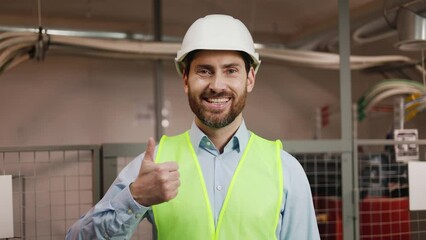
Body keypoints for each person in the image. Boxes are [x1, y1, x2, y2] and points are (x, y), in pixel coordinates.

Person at [66, 14, 320, 239]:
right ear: (186, 79)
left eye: (231, 70)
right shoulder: (155, 165)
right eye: (205, 71)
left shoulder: (285, 170)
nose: (217, 85)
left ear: (250, 78)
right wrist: (134, 198)